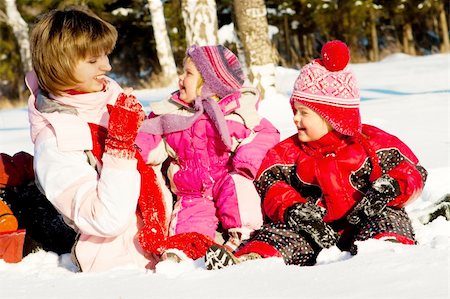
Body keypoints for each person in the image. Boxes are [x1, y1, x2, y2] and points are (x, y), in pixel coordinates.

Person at [205, 40, 428, 269]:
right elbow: (271, 184)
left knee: (389, 217)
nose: (295, 119)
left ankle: (386, 249)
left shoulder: (371, 143)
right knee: (279, 234)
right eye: (295, 111)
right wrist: (294, 209)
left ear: (332, 117)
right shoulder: (287, 153)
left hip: (365, 222)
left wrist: (392, 188)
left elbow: (412, 170)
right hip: (313, 232)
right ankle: (252, 260)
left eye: (304, 113)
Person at [26, 6, 165, 272]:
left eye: (105, 55)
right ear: (60, 66)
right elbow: (105, 219)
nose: (108, 66)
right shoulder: (56, 141)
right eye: (93, 61)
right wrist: (120, 145)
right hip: (122, 265)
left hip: (168, 240)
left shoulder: (109, 100)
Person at [137, 45, 280, 262]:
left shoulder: (234, 113)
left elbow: (265, 133)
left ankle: (243, 239)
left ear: (211, 84)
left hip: (225, 181)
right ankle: (182, 255)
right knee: (189, 222)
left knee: (238, 188)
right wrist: (135, 149)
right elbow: (150, 142)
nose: (180, 78)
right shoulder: (172, 114)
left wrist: (245, 161)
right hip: (192, 192)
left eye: (188, 74)